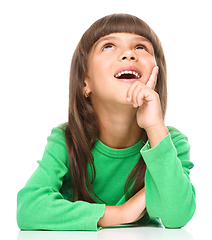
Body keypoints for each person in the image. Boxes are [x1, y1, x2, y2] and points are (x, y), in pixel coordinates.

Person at [17, 13, 196, 231]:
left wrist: (155, 127)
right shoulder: (67, 140)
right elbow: (28, 208)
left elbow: (177, 216)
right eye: (109, 46)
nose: (129, 53)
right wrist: (123, 212)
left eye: (141, 47)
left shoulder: (169, 142)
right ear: (85, 82)